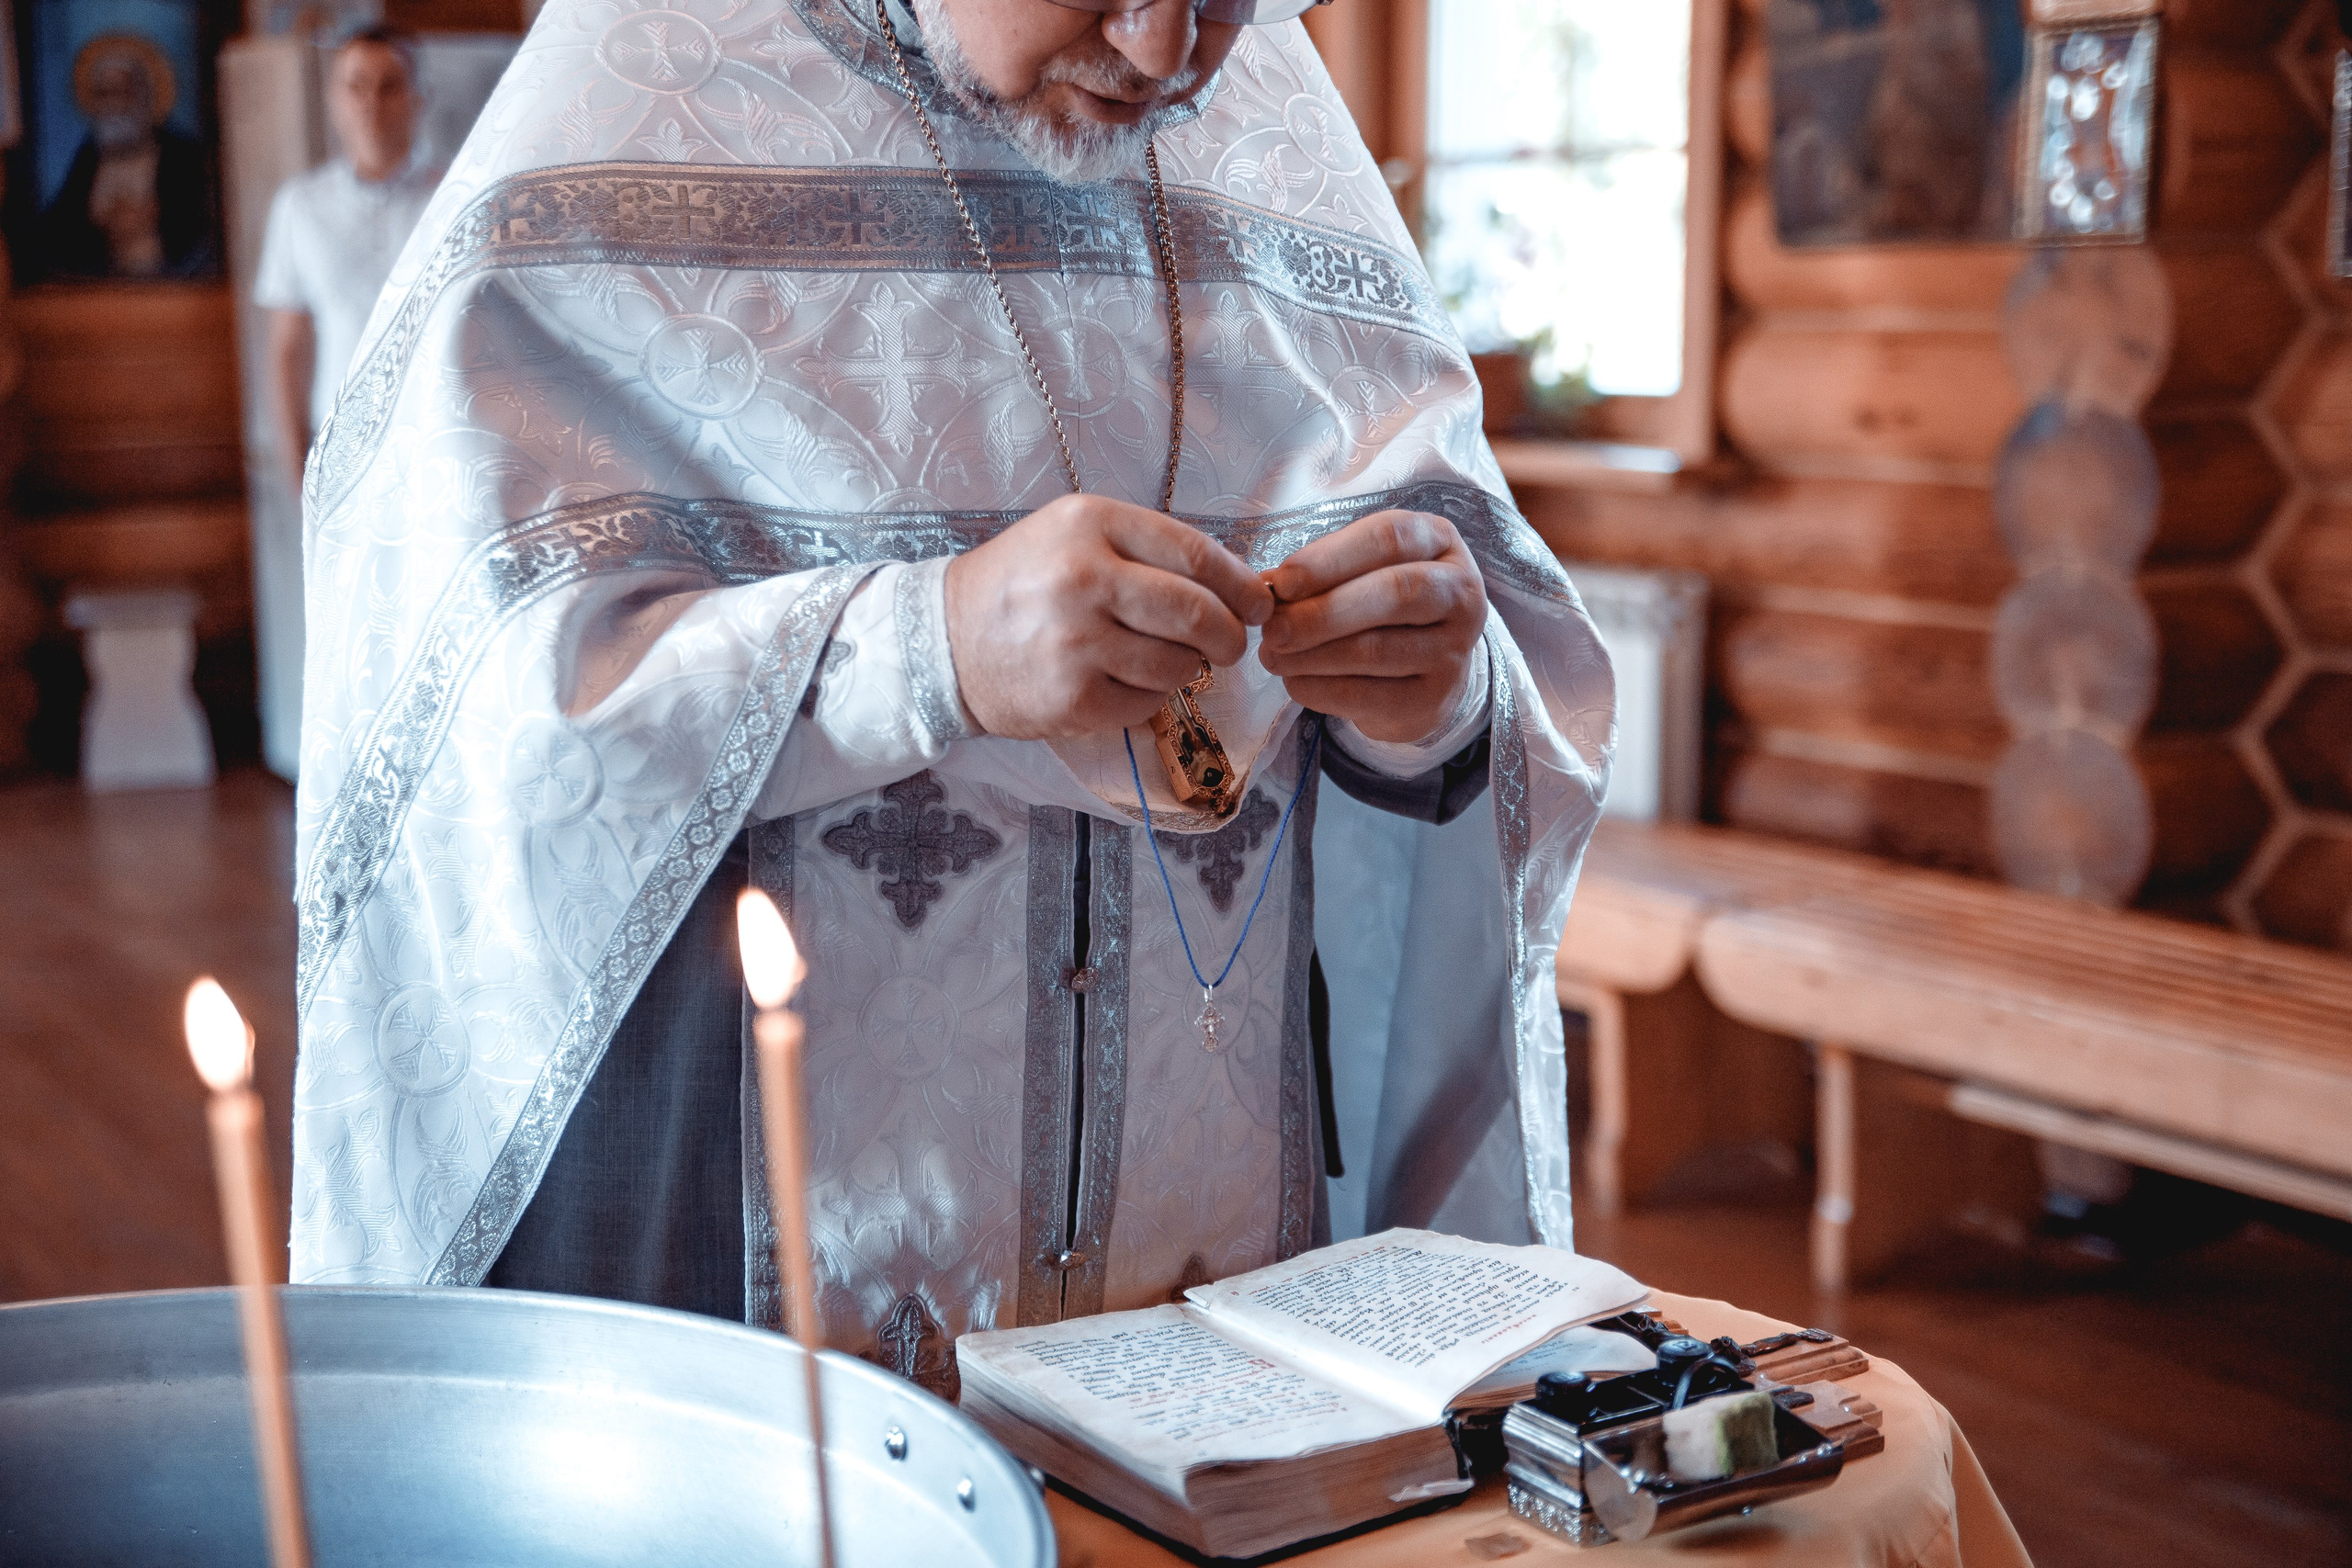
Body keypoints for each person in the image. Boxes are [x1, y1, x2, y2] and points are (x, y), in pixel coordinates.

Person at [288, 0, 1613, 1396]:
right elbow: (443, 716)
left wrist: (1437, 698)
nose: (1168, 54)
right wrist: (927, 647)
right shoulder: (631, 97)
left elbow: (1461, 654)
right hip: (748, 1301)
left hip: (1230, 1316)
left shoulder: (1276, 129)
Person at [254, 26, 437, 499]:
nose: (372, 103)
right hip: (343, 459)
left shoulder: (454, 197)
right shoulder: (300, 207)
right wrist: (300, 482)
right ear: (333, 100)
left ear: (417, 99)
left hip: (440, 446)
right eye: (355, 86)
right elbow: (287, 352)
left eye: (390, 86)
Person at [37, 33, 212, 279]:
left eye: (124, 90)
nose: (114, 105)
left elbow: (195, 235)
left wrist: (149, 221)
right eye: (103, 93)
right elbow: (59, 240)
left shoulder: (183, 159)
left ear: (148, 95)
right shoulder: (86, 161)